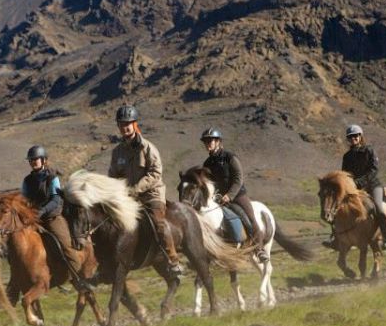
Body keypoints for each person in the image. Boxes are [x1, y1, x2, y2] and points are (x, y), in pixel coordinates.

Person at [108, 105, 183, 277]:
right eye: (121, 124)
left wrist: (136, 188)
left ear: (135, 125)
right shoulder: (117, 152)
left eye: (128, 123)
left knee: (159, 223)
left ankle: (173, 258)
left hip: (151, 194)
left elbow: (156, 173)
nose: (125, 127)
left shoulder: (148, 148)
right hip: (129, 197)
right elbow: (113, 175)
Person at [21, 145, 92, 291]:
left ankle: (78, 278)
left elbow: (56, 200)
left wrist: (41, 211)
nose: (33, 162)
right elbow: (24, 200)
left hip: (52, 218)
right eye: (31, 160)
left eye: (36, 159)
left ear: (44, 160)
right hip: (35, 219)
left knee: (66, 247)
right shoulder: (27, 181)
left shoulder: (52, 178)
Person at [200, 127, 269, 262]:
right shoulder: (207, 163)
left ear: (218, 142)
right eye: (206, 141)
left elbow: (238, 178)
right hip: (218, 198)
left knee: (250, 219)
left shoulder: (230, 157)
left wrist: (230, 195)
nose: (208, 143)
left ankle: (259, 249)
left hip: (237, 195)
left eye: (211, 140)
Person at [339, 124, 386, 250]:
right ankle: (337, 238)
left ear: (360, 136)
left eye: (355, 136)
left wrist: (359, 182)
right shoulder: (346, 156)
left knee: (379, 208)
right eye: (350, 137)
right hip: (356, 188)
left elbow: (374, 170)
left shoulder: (369, 150)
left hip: (372, 185)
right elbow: (345, 173)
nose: (353, 138)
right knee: (340, 207)